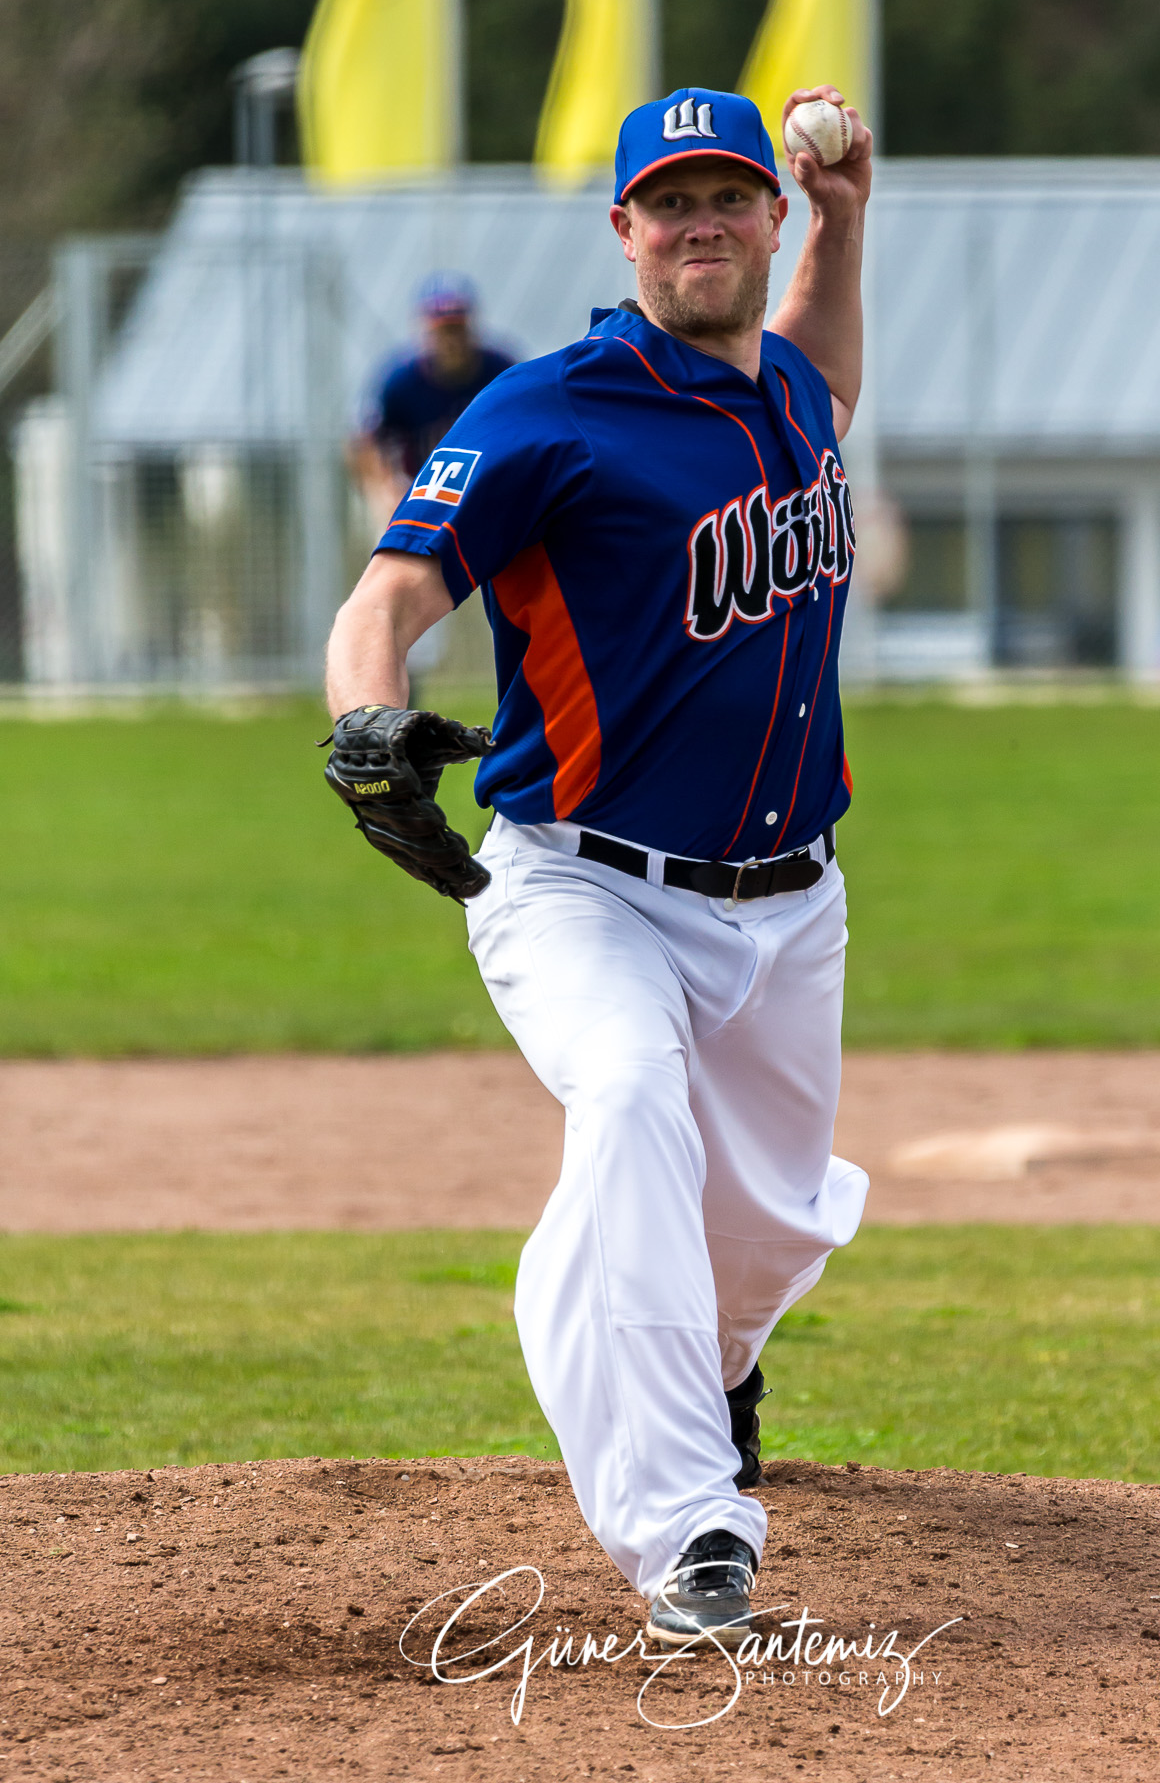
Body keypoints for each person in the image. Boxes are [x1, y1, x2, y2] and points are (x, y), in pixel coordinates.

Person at [324, 84, 872, 1648]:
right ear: (623, 230)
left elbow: (827, 372)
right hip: (585, 882)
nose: (701, 222)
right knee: (628, 1102)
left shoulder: (781, 390)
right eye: (668, 202)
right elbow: (392, 592)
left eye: (731, 197)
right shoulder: (548, 409)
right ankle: (688, 1528)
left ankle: (714, 1361)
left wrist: (852, 219)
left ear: (768, 218)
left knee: (764, 1235)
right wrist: (367, 720)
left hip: (793, 896)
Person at [347, 273, 515, 527]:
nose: (451, 339)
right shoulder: (401, 380)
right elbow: (363, 442)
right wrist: (383, 491)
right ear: (425, 329)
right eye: (442, 329)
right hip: (421, 502)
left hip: (488, 496)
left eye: (457, 327)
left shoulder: (500, 371)